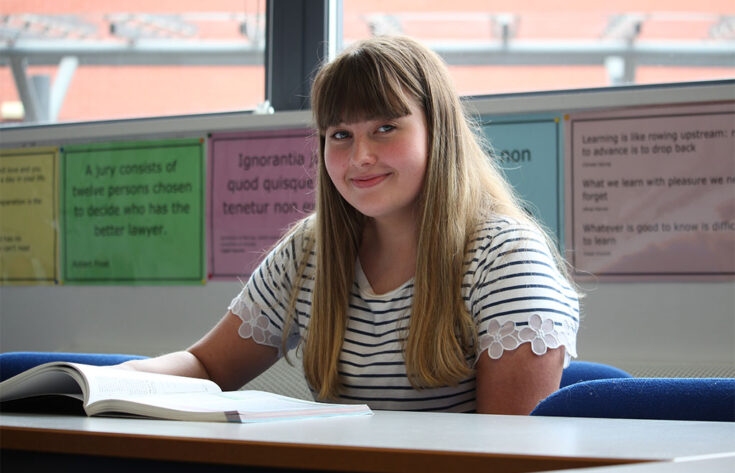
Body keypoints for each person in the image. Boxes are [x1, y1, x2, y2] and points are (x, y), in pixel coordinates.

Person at [123, 35, 579, 415]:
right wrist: (99, 381)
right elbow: (206, 367)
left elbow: (508, 455)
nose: (360, 157)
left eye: (385, 128)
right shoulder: (309, 250)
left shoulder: (506, 258)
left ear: (437, 132)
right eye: (340, 135)